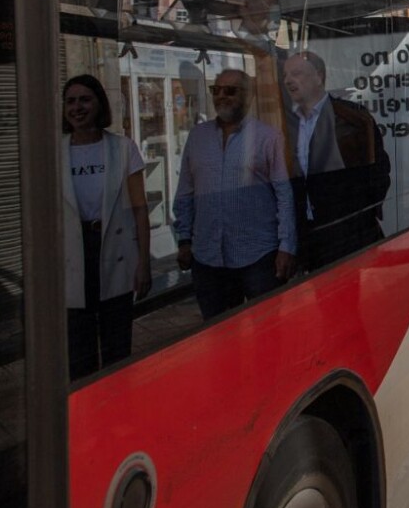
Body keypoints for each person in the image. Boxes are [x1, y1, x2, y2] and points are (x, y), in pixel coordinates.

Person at [173, 69, 297, 320]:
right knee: (216, 333)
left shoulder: (268, 137)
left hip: (258, 256)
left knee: (266, 329)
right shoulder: (198, 137)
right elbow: (185, 192)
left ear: (248, 97)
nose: (221, 96)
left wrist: (287, 246)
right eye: (216, 90)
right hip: (208, 257)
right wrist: (184, 239)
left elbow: (284, 195)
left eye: (230, 91)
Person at [61, 74, 151, 380]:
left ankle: (118, 402)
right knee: (78, 349)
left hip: (114, 250)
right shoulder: (54, 152)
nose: (77, 107)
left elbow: (139, 209)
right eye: (71, 101)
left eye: (85, 100)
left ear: (99, 104)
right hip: (74, 255)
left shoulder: (122, 148)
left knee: (117, 347)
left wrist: (144, 263)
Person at [282, 51, 392, 271]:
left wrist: (359, 218)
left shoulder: (352, 118)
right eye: (285, 75)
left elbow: (379, 173)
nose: (288, 80)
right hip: (308, 237)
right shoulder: (286, 124)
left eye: (296, 73)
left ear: (319, 76)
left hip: (349, 235)